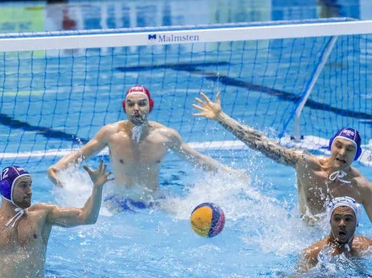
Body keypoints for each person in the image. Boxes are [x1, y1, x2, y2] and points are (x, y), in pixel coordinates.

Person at [193, 92, 372, 238]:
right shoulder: (306, 164)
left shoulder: (362, 187)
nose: (342, 153)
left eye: (349, 149)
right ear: (331, 146)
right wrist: (221, 118)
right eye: (338, 146)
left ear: (357, 154)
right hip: (301, 238)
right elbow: (261, 143)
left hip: (340, 242)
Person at [47, 85, 234, 206]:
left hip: (155, 202)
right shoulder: (111, 134)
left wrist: (230, 174)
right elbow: (80, 154)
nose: (136, 108)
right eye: (131, 104)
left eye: (141, 104)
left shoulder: (165, 136)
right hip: (117, 202)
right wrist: (57, 169)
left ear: (149, 107)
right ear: (125, 108)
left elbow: (198, 160)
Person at [0, 161, 112, 278]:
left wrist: (97, 187)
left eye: (30, 185)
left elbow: (86, 217)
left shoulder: (41, 215)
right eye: (23, 185)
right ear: (6, 188)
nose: (29, 191)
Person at [297, 197, 372, 273]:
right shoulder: (313, 253)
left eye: (348, 219)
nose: (342, 224)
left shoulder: (363, 245)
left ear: (356, 223)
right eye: (337, 219)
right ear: (330, 221)